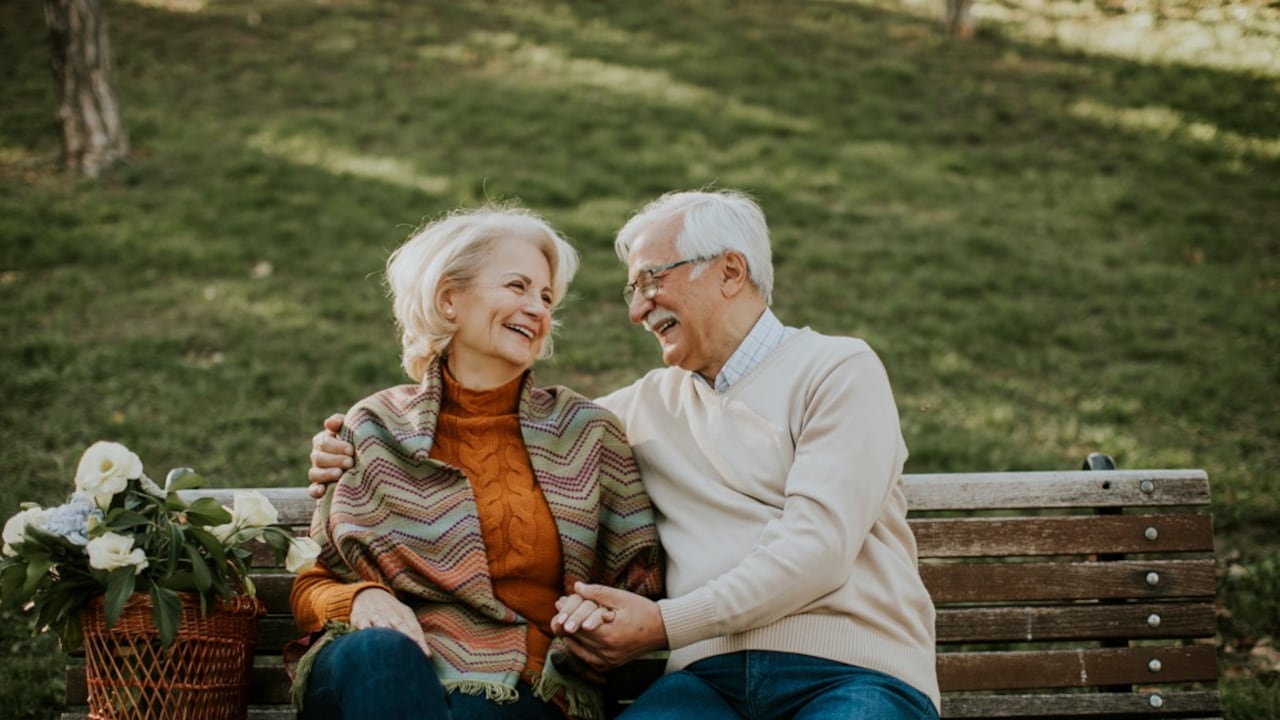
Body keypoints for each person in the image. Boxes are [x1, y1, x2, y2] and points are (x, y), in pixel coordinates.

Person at [310, 190, 940, 720]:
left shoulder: (837, 368)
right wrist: (344, 441)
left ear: (729, 270)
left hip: (851, 670)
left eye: (650, 281)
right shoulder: (636, 409)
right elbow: (503, 423)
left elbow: (818, 549)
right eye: (631, 290)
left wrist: (665, 624)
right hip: (709, 682)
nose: (637, 309)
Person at [290, 206, 664, 720]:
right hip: (380, 670)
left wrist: (594, 614)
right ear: (449, 300)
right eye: (517, 286)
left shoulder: (585, 431)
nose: (536, 307)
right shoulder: (376, 425)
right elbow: (315, 580)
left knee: (480, 712)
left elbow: (635, 582)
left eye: (547, 296)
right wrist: (359, 601)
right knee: (383, 656)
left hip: (526, 678)